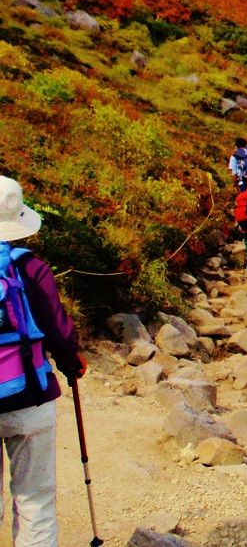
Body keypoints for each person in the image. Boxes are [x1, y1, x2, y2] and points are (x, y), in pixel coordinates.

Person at [0, 175, 85, 546]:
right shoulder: (30, 267)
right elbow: (58, 329)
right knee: (35, 497)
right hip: (28, 395)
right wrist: (71, 364)